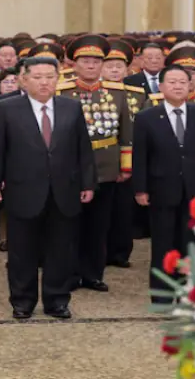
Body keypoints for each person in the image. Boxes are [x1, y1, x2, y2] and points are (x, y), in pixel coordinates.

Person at [0, 56, 97, 320]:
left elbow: (84, 149)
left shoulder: (71, 107)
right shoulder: (7, 108)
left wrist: (88, 182)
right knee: (22, 250)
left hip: (64, 189)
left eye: (49, 76)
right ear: (23, 79)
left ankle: (57, 300)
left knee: (61, 248)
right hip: (22, 188)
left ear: (58, 78)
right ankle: (22, 301)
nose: (44, 82)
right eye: (37, 76)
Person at [132, 64, 195, 304]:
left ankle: (187, 292)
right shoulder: (145, 117)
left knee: (190, 242)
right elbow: (140, 156)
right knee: (162, 243)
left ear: (190, 85)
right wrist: (140, 188)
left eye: (183, 81)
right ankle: (162, 294)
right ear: (161, 87)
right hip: (161, 190)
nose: (178, 86)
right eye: (172, 82)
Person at [58, 35, 135, 293]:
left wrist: (125, 167)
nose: (91, 66)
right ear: (74, 64)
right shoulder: (62, 92)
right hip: (72, 166)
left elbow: (126, 132)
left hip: (106, 165)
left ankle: (93, 274)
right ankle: (69, 274)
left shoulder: (117, 92)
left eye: (95, 62)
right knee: (70, 223)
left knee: (99, 224)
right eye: (85, 61)